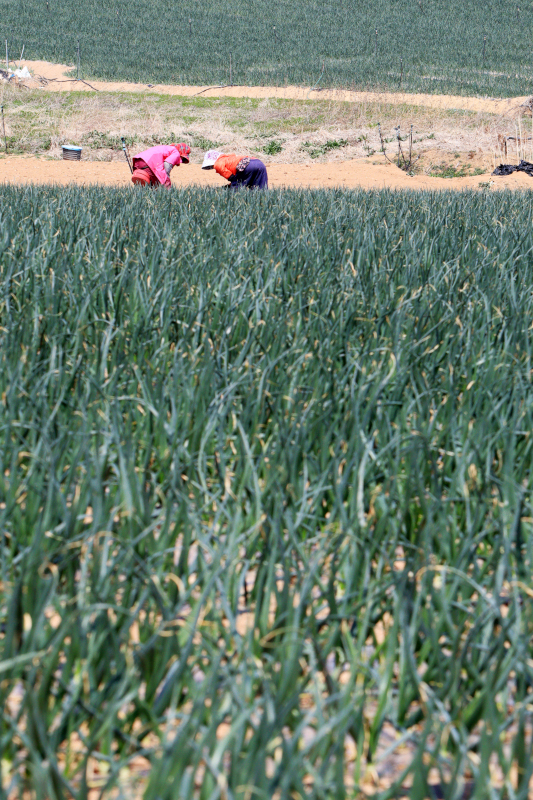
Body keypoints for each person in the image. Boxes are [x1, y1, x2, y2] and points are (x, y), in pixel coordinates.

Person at [201, 150, 268, 189]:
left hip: (246, 166)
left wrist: (230, 186)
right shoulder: (228, 158)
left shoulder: (217, 164)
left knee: (236, 191)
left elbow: (232, 178)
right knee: (260, 189)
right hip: (259, 163)